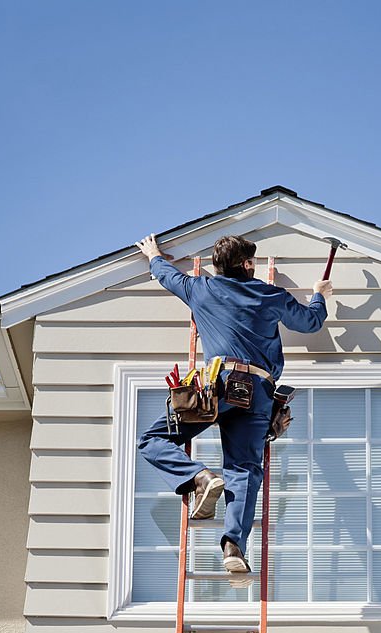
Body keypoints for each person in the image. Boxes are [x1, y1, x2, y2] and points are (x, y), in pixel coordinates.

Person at [135, 233, 332, 579]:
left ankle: (199, 478)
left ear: (216, 266)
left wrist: (153, 255)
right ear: (248, 264)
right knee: (243, 468)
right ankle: (233, 547)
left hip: (219, 385)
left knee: (152, 439)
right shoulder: (269, 294)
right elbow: (310, 322)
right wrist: (319, 295)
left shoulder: (201, 290)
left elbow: (168, 277)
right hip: (257, 390)